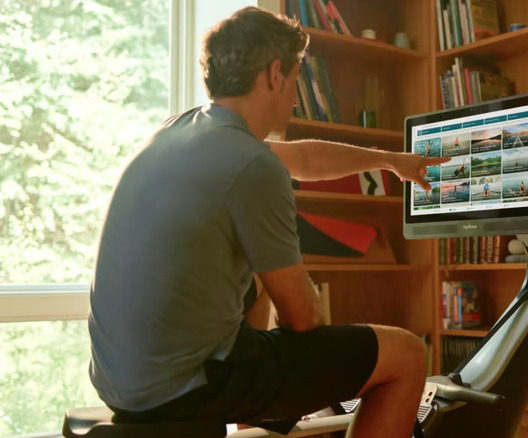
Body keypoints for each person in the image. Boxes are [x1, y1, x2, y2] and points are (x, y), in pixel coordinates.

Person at [87, 7, 447, 438]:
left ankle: (257, 422)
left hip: (121, 380)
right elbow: (303, 320)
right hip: (184, 387)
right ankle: (262, 410)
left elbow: (305, 159)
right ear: (275, 74)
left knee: (253, 286)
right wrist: (331, 372)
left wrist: (391, 161)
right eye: (296, 77)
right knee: (405, 355)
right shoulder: (253, 165)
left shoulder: (181, 130)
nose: (296, 95)